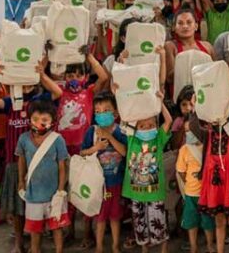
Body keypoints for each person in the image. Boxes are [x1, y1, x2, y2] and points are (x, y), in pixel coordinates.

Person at [0, 56, 61, 253]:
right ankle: (19, 243)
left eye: (29, 80)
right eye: (20, 81)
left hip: (39, 165)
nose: (25, 85)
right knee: (18, 208)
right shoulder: (10, 102)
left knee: (39, 206)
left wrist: (40, 74)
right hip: (14, 164)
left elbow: (57, 92)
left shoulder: (40, 101)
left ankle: (37, 242)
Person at [189, 100, 229, 253]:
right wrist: (196, 106)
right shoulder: (207, 134)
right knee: (219, 220)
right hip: (214, 183)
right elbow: (193, 125)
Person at [16, 99, 70, 253]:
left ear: (52, 121)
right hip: (33, 194)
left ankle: (59, 250)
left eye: (44, 120)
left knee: (57, 227)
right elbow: (21, 161)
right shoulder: (24, 139)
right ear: (29, 119)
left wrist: (60, 190)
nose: (39, 123)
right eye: (35, 119)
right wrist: (20, 180)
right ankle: (35, 250)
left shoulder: (58, 139)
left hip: (54, 193)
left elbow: (62, 165)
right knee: (35, 229)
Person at [122, 92, 173, 253]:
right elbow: (125, 116)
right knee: (140, 224)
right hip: (136, 193)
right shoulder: (132, 139)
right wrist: (118, 91)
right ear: (135, 128)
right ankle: (145, 249)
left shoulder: (158, 138)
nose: (146, 128)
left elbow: (169, 120)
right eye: (142, 126)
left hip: (155, 194)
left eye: (151, 125)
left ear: (156, 127)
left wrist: (161, 102)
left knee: (159, 223)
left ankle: (163, 249)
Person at [80, 91, 128, 253]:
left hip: (116, 182)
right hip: (98, 184)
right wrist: (96, 148)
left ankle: (115, 245)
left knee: (115, 216)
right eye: (98, 112)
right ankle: (99, 247)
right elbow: (82, 153)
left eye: (106, 110)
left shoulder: (121, 131)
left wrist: (110, 137)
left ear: (115, 113)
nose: (101, 114)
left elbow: (125, 152)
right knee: (100, 218)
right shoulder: (91, 131)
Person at [176, 116, 215, 253]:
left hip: (206, 194)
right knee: (191, 221)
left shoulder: (208, 146)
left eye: (192, 130)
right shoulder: (184, 150)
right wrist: (189, 182)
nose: (189, 134)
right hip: (191, 193)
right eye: (186, 131)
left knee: (208, 222)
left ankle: (210, 245)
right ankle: (194, 247)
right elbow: (181, 171)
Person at [57, 55, 109, 156]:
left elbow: (104, 77)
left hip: (83, 143)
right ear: (65, 77)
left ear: (87, 77)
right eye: (70, 76)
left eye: (79, 76)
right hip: (61, 143)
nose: (75, 79)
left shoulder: (89, 92)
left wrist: (89, 55)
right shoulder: (60, 91)